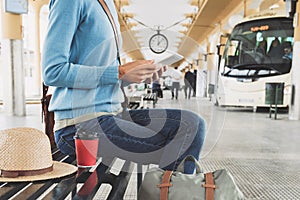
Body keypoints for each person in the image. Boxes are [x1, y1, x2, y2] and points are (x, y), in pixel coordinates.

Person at [42, 0, 206, 174]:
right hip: (79, 125)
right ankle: (170, 190)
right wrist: (119, 72)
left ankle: (169, 189)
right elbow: (52, 71)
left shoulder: (108, 5)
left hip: (111, 115)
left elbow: (104, 75)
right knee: (179, 143)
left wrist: (136, 75)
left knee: (192, 125)